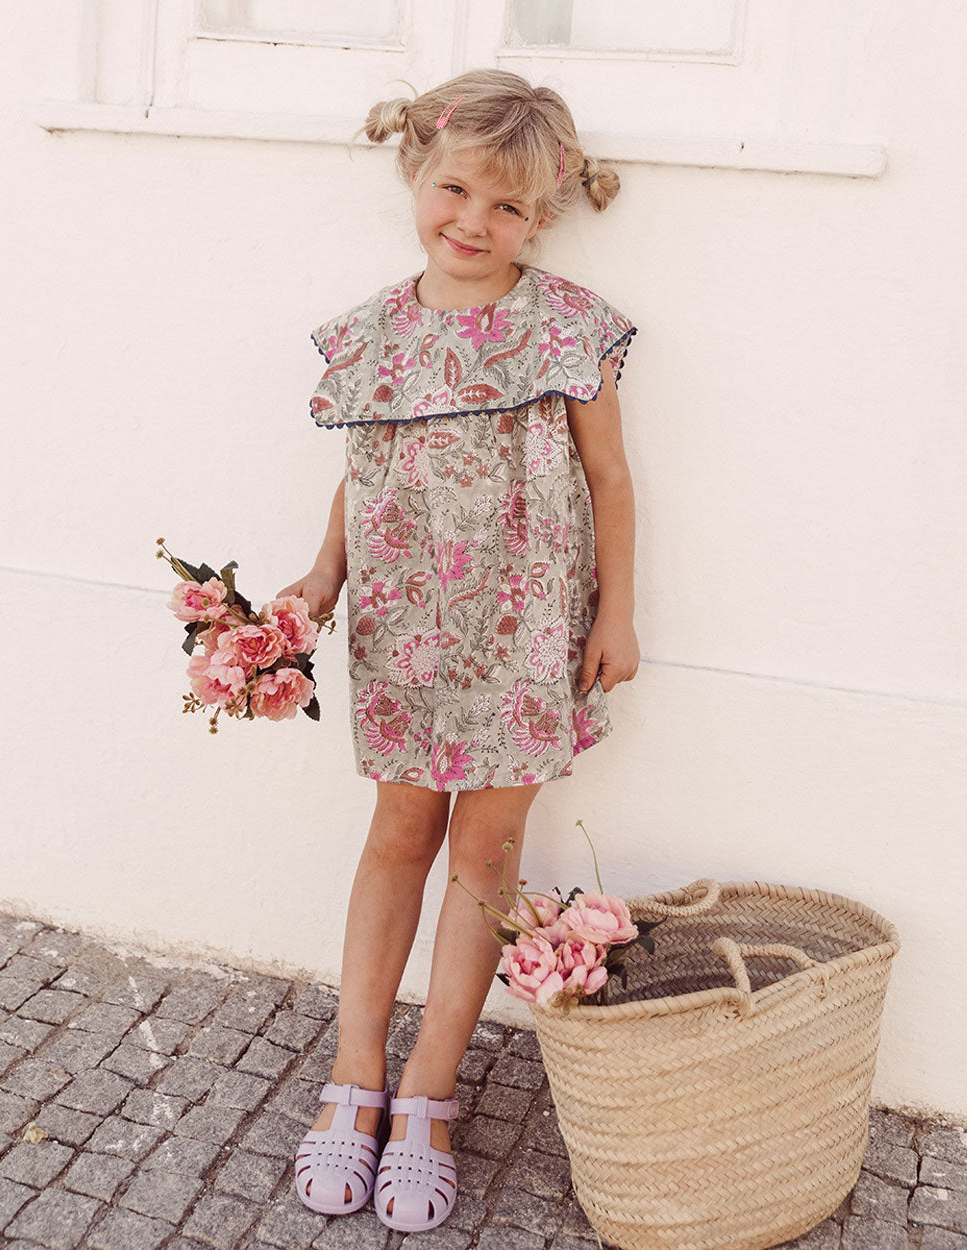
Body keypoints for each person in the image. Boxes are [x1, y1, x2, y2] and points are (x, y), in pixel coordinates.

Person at [278, 67, 641, 1234]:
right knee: (399, 830)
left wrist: (615, 612)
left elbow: (609, 477)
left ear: (542, 216)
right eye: (455, 192)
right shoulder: (373, 334)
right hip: (407, 627)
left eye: (508, 209)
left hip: (530, 620)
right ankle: (356, 1075)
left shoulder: (570, 325)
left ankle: (430, 1094)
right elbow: (360, 471)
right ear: (416, 178)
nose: (473, 225)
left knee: (487, 849)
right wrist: (321, 578)